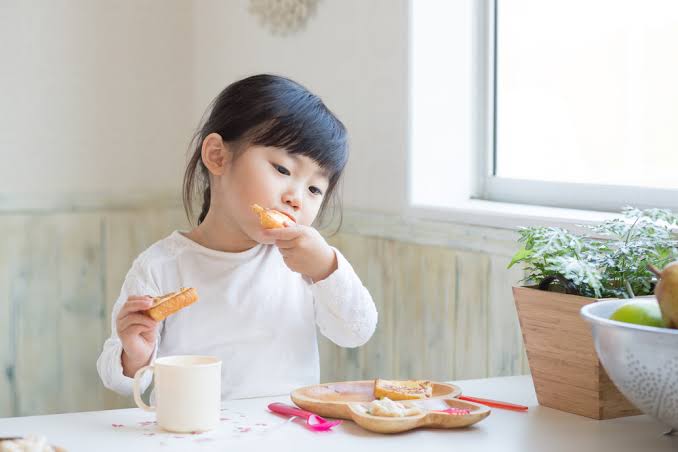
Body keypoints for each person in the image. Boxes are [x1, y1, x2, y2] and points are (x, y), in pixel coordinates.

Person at [96, 74, 378, 399]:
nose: (296, 198)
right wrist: (134, 354)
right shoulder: (161, 265)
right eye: (283, 170)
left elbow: (356, 331)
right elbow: (119, 382)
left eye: (315, 188)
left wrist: (327, 268)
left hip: (287, 435)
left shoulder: (305, 265)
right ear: (217, 156)